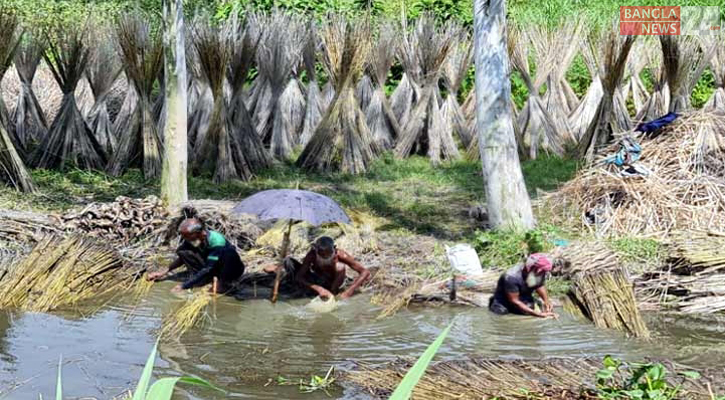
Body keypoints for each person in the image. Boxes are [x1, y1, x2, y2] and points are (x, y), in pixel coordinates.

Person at [146, 218, 245, 293]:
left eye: (187, 237)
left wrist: (184, 286)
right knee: (183, 251)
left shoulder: (216, 241)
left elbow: (208, 268)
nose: (186, 239)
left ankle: (222, 282)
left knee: (228, 253)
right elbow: (182, 258)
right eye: (184, 237)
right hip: (212, 265)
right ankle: (203, 278)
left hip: (231, 269)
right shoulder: (193, 239)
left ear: (200, 233)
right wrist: (163, 272)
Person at [286, 236, 370, 300]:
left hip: (333, 282)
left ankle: (333, 291)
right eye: (322, 254)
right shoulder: (312, 255)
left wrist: (349, 291)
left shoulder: (341, 255)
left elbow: (365, 272)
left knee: (340, 267)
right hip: (318, 280)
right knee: (288, 261)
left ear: (334, 249)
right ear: (316, 250)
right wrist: (319, 289)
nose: (325, 257)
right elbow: (299, 276)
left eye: (329, 254)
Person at [488, 253, 559, 318]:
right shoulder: (511, 277)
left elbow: (539, 285)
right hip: (504, 303)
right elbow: (514, 300)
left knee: (532, 308)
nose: (542, 274)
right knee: (502, 316)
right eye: (541, 272)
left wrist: (546, 301)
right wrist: (537, 314)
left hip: (523, 297)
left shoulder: (538, 272)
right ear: (532, 269)